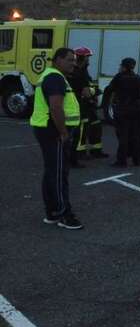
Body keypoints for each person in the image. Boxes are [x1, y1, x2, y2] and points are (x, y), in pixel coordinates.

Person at [29, 47, 84, 230]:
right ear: (58, 60)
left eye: (75, 60)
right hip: (53, 130)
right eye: (70, 60)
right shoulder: (54, 78)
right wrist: (63, 132)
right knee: (59, 173)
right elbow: (56, 108)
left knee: (52, 171)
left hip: (46, 128)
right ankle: (64, 215)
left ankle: (52, 212)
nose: (74, 63)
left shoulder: (51, 76)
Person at [101, 57, 140, 167]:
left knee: (123, 136)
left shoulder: (119, 78)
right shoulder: (139, 78)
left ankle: (122, 161)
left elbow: (109, 90)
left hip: (123, 111)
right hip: (137, 111)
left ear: (123, 66)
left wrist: (105, 106)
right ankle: (137, 160)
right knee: (137, 135)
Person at [67, 46, 109, 167]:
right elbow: (85, 90)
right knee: (82, 129)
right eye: (87, 57)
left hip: (88, 104)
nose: (89, 60)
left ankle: (96, 150)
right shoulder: (77, 72)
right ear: (82, 58)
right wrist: (95, 92)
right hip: (81, 104)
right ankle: (79, 153)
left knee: (96, 125)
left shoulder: (82, 71)